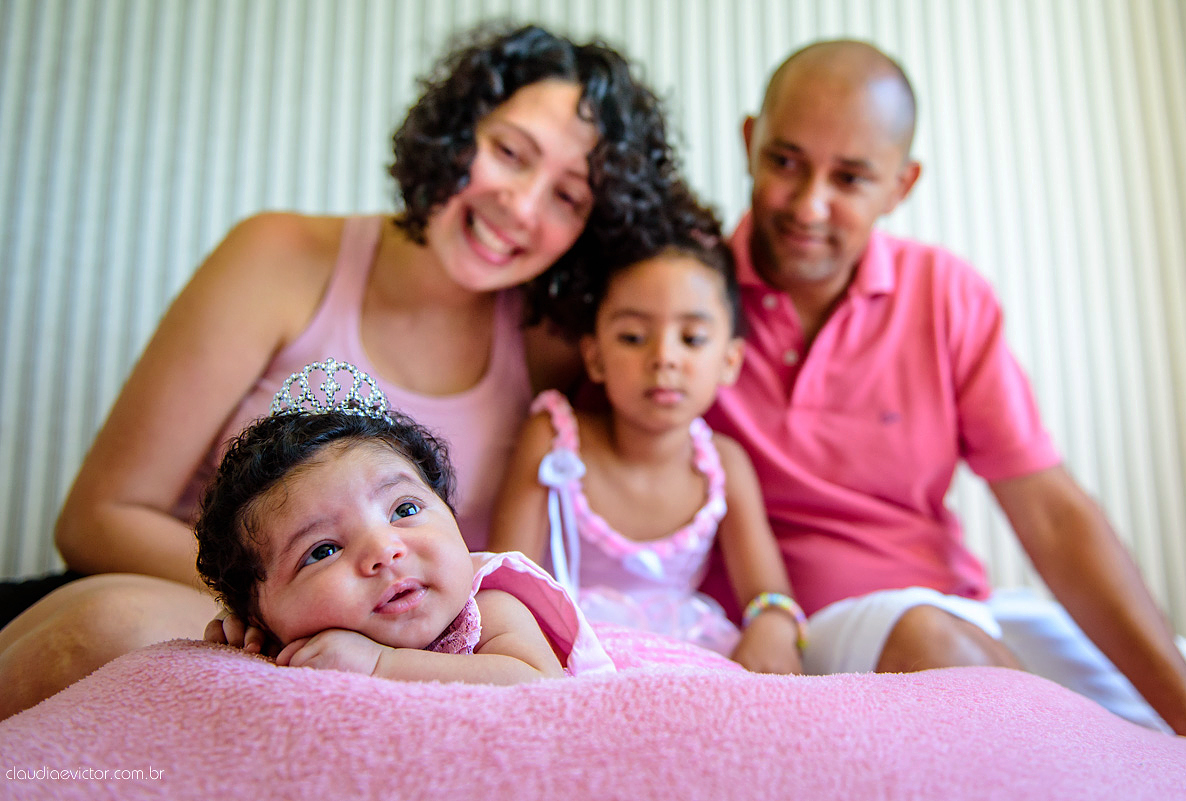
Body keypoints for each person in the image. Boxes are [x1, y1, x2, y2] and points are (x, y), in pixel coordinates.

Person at [0, 22, 682, 718]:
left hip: (383, 639)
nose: (522, 204)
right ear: (453, 130)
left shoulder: (554, 346)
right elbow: (97, 515)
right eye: (509, 152)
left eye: (567, 197)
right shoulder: (280, 255)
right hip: (201, 603)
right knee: (110, 629)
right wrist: (278, 601)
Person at [699, 38, 1186, 736]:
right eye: (785, 162)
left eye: (849, 179)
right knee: (936, 639)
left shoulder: (946, 293)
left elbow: (1050, 514)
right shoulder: (684, 299)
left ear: (901, 186)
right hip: (815, 626)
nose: (809, 206)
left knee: (1182, 685)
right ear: (750, 142)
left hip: (963, 606)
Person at [489, 195, 804, 675]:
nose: (664, 358)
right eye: (633, 337)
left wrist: (772, 627)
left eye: (692, 338)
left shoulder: (724, 466)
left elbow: (768, 593)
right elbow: (504, 579)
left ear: (729, 361)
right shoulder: (552, 437)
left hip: (692, 656)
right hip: (573, 652)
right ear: (594, 356)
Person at [194, 360, 614, 682]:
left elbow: (536, 687)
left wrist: (382, 664)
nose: (384, 549)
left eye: (405, 511)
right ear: (263, 614)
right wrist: (256, 640)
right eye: (323, 551)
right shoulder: (298, 639)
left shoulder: (487, 611)